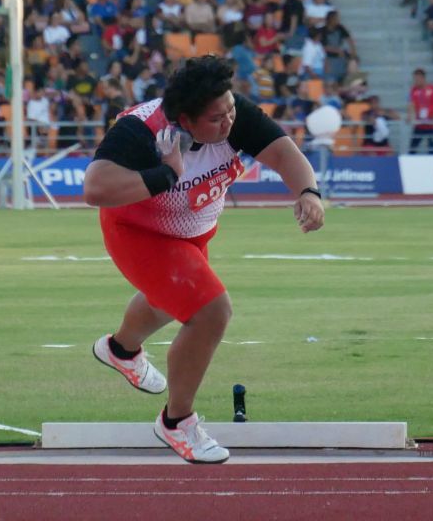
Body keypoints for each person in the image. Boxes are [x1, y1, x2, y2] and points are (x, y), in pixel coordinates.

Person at [82, 56, 323, 464]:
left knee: (168, 301)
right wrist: (167, 174)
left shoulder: (233, 113)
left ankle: (121, 350)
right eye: (216, 118)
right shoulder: (141, 130)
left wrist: (309, 193)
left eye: (230, 109)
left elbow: (284, 154)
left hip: (193, 231)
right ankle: (177, 421)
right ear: (184, 120)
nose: (228, 121)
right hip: (139, 233)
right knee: (211, 311)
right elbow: (95, 187)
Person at [407, 68, 433, 154]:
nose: (416, 81)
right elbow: (411, 104)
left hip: (431, 123)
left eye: (418, 79)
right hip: (420, 123)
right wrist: (410, 116)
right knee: (412, 148)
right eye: (415, 79)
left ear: (423, 78)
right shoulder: (413, 90)